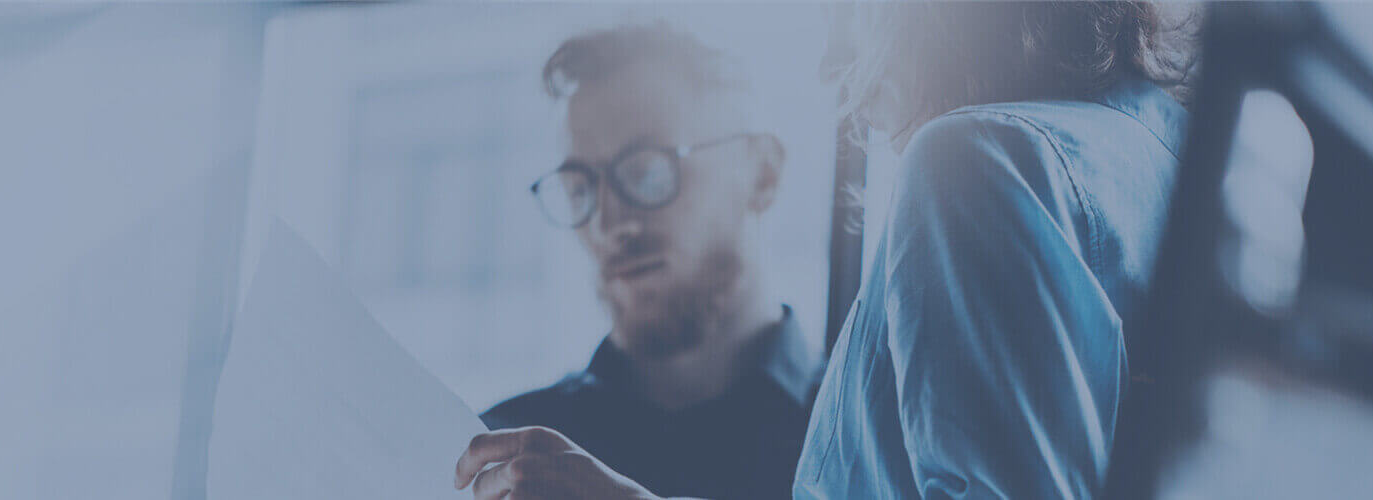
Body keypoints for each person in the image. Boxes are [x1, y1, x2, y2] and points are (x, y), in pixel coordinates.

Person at [456, 3, 1195, 498]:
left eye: (647, 170)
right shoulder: (1163, 164)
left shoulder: (982, 161)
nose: (831, 70)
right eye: (579, 185)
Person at [466, 22, 820, 500]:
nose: (609, 224)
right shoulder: (499, 459)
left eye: (648, 171)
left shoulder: (873, 438)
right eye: (579, 188)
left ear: (762, 174)